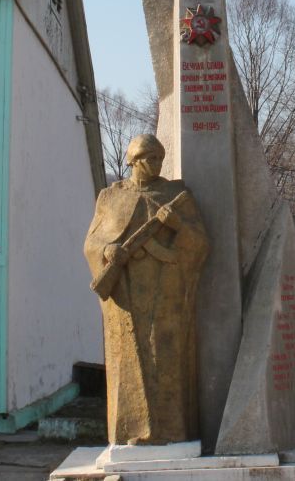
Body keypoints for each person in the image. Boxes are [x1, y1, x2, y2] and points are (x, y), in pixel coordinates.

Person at [83, 134, 209, 445]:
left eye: (160, 158)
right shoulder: (110, 197)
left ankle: (170, 432)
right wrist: (107, 251)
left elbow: (201, 244)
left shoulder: (176, 195)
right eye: (151, 158)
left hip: (166, 292)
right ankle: (133, 430)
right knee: (128, 360)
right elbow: (92, 243)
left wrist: (177, 224)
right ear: (134, 161)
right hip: (124, 293)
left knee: (165, 355)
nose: (157, 164)